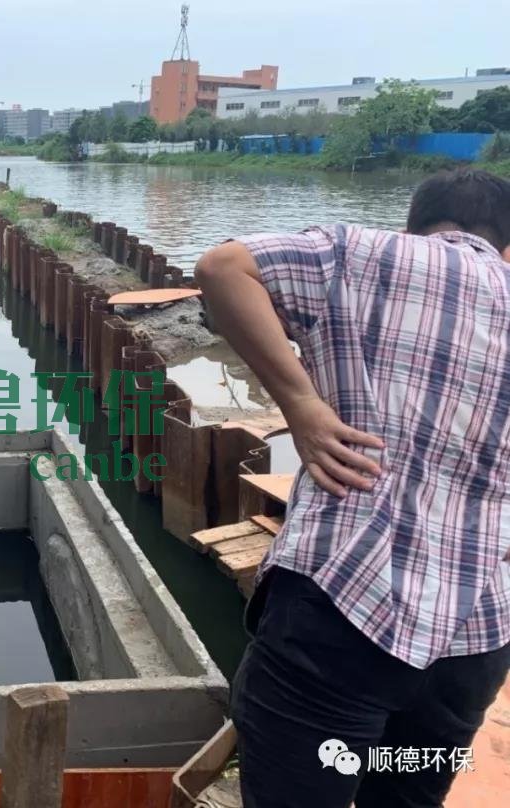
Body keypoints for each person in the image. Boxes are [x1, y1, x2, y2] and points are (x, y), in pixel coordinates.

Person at [195, 168, 510, 808]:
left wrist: (302, 406)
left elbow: (223, 268)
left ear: (415, 223)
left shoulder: (364, 252)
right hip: (475, 640)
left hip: (343, 614)